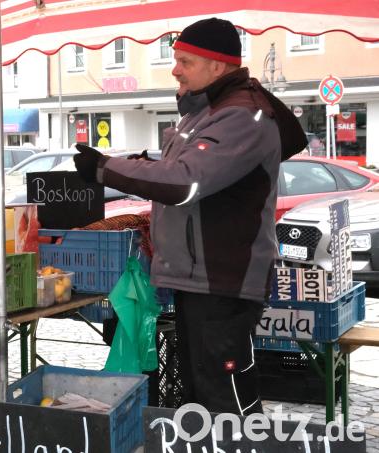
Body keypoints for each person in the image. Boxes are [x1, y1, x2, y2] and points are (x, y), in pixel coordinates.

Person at [72, 18, 306, 416]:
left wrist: (106, 169)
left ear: (217, 66)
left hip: (222, 281)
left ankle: (240, 444)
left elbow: (185, 181)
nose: (175, 69)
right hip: (200, 279)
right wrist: (137, 165)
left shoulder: (242, 117)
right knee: (202, 395)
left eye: (185, 61)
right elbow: (179, 171)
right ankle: (213, 442)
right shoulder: (208, 112)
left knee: (225, 399)